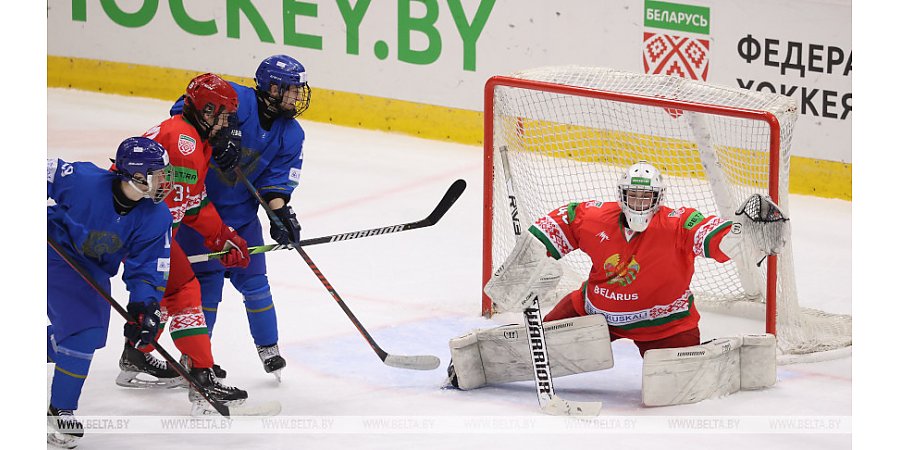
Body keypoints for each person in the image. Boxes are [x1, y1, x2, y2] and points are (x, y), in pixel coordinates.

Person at [116, 72, 253, 412]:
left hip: (139, 227)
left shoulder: (188, 134)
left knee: (166, 291)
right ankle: (202, 379)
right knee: (183, 291)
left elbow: (191, 204)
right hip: (141, 233)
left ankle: (136, 354)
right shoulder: (184, 144)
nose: (225, 123)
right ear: (205, 111)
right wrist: (220, 236)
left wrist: (223, 236)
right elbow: (178, 209)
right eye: (221, 115)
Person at [169, 55, 308, 381]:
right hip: (202, 216)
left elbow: (274, 182)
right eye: (289, 90)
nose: (295, 97)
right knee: (209, 289)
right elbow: (183, 106)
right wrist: (223, 132)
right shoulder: (234, 98)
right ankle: (196, 360)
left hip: (244, 218)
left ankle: (269, 348)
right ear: (270, 87)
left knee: (257, 284)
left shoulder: (292, 133)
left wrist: (280, 214)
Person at [47, 137, 174, 448]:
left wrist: (144, 307)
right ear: (136, 176)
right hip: (52, 249)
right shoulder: (84, 180)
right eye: (159, 174)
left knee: (88, 334)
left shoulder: (157, 217)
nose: (165, 181)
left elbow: (148, 268)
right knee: (84, 332)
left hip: (91, 268)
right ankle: (59, 412)